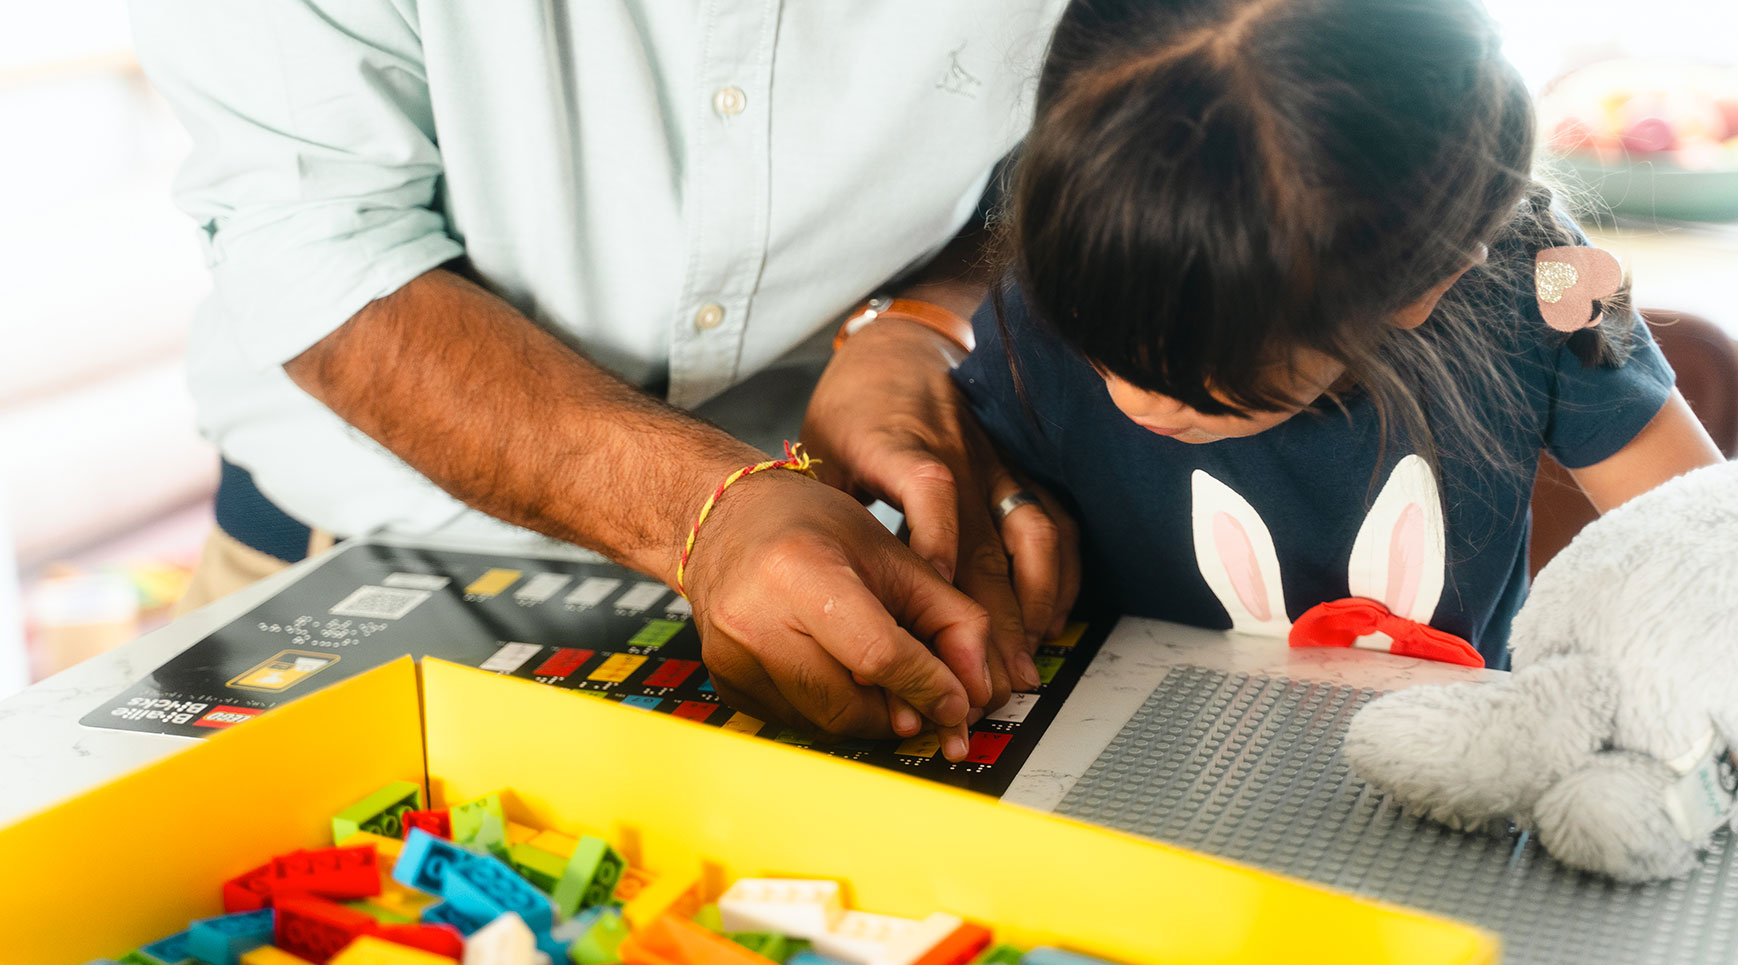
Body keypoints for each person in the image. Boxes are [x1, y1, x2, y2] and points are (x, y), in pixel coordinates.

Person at [132, 0, 1082, 760]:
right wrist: (701, 512)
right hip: (355, 553)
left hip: (845, 565)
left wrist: (912, 331)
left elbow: (1075, 154)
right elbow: (320, 246)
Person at [953, 0, 1724, 669]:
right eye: (1093, 337)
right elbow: (961, 517)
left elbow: (1696, 547)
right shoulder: (1059, 272)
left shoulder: (1549, 277)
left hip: (1437, 755)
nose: (1131, 396)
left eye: (1199, 376)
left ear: (1428, 282)